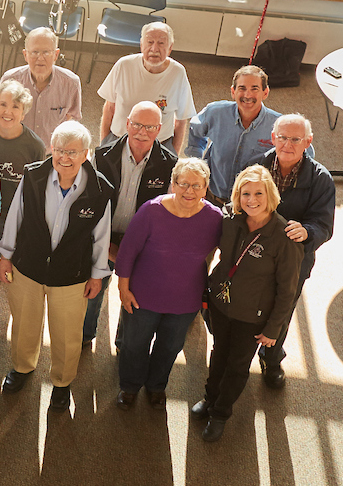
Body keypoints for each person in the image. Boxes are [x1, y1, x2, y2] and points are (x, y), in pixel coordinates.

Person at [0, 121, 112, 412]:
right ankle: (22, 368)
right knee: (24, 325)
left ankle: (61, 383)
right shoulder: (33, 175)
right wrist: (6, 255)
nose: (64, 157)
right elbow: (15, 217)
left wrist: (98, 275)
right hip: (28, 269)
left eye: (72, 151)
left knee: (67, 335)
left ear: (85, 154)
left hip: (71, 277)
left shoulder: (100, 189)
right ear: (51, 148)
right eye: (59, 149)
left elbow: (101, 236)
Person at [192, 165, 301, 442]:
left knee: (238, 365)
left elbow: (287, 291)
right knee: (218, 354)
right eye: (245, 193)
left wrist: (274, 329)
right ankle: (210, 397)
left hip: (253, 316)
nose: (251, 200)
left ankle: (220, 413)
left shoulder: (284, 236)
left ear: (270, 195)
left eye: (258, 194)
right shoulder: (230, 219)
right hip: (221, 305)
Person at [113, 158, 222, 411]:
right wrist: (123, 288)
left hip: (185, 300)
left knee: (170, 347)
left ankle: (156, 386)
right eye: (183, 184)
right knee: (134, 344)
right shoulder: (151, 211)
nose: (189, 191)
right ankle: (129, 386)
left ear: (206, 188)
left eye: (197, 186)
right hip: (142, 295)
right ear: (173, 184)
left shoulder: (214, 218)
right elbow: (127, 252)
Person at [249, 114, 335, 388]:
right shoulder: (256, 167)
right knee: (246, 303)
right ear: (273, 138)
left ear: (308, 142)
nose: (287, 144)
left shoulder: (321, 179)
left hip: (294, 261)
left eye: (296, 139)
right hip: (256, 255)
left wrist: (308, 232)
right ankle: (238, 355)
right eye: (282, 137)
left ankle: (271, 358)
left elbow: (323, 225)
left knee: (282, 310)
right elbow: (237, 203)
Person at [84, 101, 176, 347]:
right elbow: (90, 202)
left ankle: (124, 341)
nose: (141, 132)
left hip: (142, 243)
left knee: (133, 296)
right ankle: (84, 336)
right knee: (93, 291)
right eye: (136, 124)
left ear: (159, 129)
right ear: (126, 124)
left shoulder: (170, 164)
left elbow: (168, 213)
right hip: (103, 237)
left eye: (149, 127)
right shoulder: (102, 156)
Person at [0, 80, 46, 311]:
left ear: (24, 112)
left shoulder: (34, 145)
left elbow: (36, 188)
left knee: (11, 260)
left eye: (15, 107)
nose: (8, 111)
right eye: (2, 104)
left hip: (14, 213)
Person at [186, 65, 302, 204]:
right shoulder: (214, 113)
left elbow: (305, 150)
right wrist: (197, 165)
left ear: (265, 92)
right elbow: (195, 131)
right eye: (242, 88)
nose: (247, 95)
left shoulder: (280, 125)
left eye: (254, 89)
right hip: (212, 197)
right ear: (233, 91)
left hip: (252, 205)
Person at [97, 22, 196, 154]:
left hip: (159, 144)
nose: (154, 49)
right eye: (149, 42)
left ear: (170, 47)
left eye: (161, 43)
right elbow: (109, 108)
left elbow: (181, 120)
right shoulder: (124, 65)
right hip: (119, 139)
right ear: (141, 44)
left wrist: (173, 156)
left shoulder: (178, 72)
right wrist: (104, 144)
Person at [0, 27, 82, 149]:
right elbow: (0, 116)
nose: (40, 58)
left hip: (51, 152)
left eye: (46, 52)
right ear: (25, 55)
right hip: (15, 148)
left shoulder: (71, 83)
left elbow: (71, 119)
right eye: (34, 52)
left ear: (56, 55)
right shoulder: (10, 79)